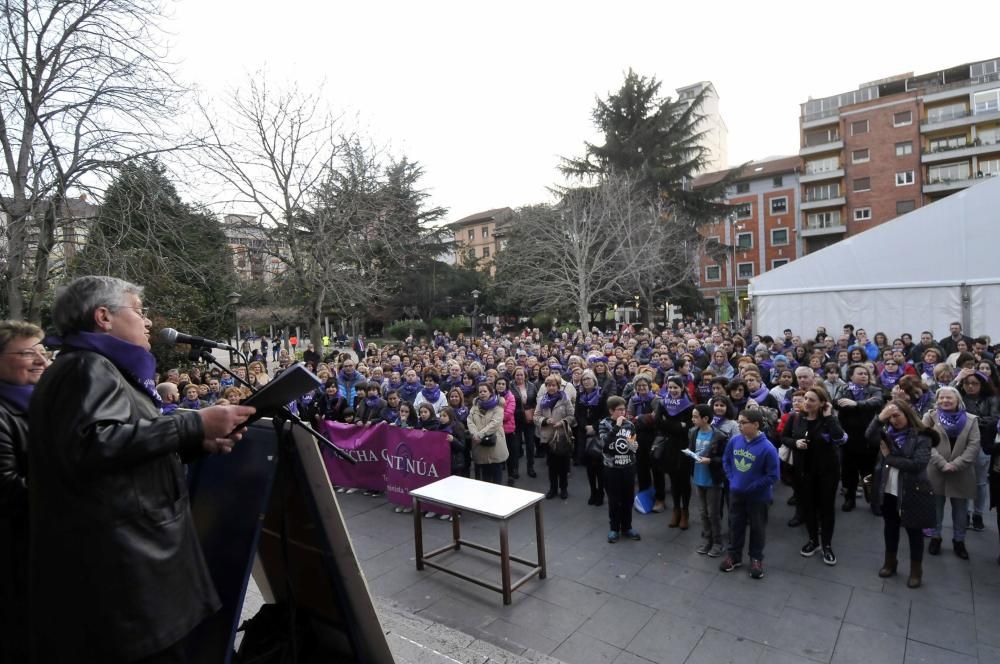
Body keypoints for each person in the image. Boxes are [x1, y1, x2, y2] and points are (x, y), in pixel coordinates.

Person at [28, 276, 254, 663]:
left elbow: (120, 458)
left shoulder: (95, 368)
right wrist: (192, 424)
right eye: (137, 311)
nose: (147, 322)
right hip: (127, 577)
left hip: (133, 567)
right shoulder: (88, 368)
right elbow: (93, 446)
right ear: (103, 317)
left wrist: (194, 444)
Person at [0, 321, 47, 662]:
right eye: (28, 352)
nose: (40, 360)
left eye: (43, 351)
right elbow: (8, 491)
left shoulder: (44, 408)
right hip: (15, 562)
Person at [867, 399, 937, 589]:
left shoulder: (922, 436)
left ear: (908, 414)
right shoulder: (886, 433)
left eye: (897, 416)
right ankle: (890, 562)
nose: (893, 421)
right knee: (890, 527)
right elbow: (869, 436)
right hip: (889, 487)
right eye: (889, 418)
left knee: (914, 531)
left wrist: (890, 457)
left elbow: (917, 465)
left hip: (912, 490)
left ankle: (916, 569)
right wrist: (878, 419)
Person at [781, 386, 847, 565]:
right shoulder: (796, 418)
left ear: (822, 404)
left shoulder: (829, 420)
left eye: (812, 400)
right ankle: (813, 540)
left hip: (827, 472)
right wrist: (795, 443)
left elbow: (839, 438)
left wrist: (829, 417)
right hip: (804, 471)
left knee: (826, 509)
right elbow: (784, 437)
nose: (807, 403)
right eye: (806, 399)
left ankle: (827, 545)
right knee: (808, 507)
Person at [719, 408, 779, 580]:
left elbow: (773, 475)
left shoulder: (768, 448)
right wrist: (732, 479)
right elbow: (727, 460)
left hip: (758, 497)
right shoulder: (735, 440)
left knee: (757, 528)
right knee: (735, 525)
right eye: (739, 422)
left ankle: (756, 559)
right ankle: (734, 556)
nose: (739, 425)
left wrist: (752, 487)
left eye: (743, 423)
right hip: (736, 493)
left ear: (756, 425)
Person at [924, 386, 981, 559]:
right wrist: (942, 463)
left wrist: (956, 464)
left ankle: (959, 541)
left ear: (958, 400)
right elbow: (925, 441)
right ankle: (935, 537)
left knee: (960, 509)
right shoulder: (930, 417)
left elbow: (974, 445)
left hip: (961, 471)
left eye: (949, 398)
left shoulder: (971, 419)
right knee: (935, 507)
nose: (945, 401)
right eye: (941, 398)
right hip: (936, 468)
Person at [835, 364, 884, 511]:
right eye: (860, 373)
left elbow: (877, 402)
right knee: (849, 472)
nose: (864, 376)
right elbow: (837, 403)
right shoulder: (843, 389)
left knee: (868, 473)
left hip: (868, 437)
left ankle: (873, 501)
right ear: (851, 376)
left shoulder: (875, 390)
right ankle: (849, 499)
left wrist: (856, 404)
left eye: (866, 374)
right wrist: (852, 405)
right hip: (849, 437)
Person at [599, 396, 640, 543]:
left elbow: (633, 443)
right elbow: (604, 444)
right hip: (612, 468)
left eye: (624, 409)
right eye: (620, 410)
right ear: (611, 411)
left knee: (628, 498)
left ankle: (627, 527)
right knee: (614, 499)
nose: (623, 412)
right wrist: (616, 427)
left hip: (628, 466)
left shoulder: (630, 425)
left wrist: (634, 446)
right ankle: (614, 528)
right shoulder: (604, 424)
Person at [689, 404, 727, 557]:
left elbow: (724, 459)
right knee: (703, 512)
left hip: (713, 480)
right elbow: (692, 449)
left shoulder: (720, 436)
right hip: (698, 478)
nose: (692, 420)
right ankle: (707, 539)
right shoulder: (693, 432)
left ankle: (717, 542)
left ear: (705, 419)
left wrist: (710, 461)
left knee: (713, 513)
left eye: (695, 417)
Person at [658, 376, 695, 529]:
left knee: (684, 480)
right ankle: (676, 509)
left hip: (684, 446)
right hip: (669, 446)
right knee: (673, 480)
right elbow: (659, 423)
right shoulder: (663, 403)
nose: (673, 390)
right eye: (670, 387)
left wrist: (669, 423)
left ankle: (685, 511)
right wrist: (677, 425)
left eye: (676, 387)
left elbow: (688, 427)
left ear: (682, 388)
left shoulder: (689, 406)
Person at [535, 375, 576, 499]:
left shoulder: (565, 398)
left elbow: (571, 415)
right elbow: (536, 416)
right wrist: (545, 420)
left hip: (562, 436)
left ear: (558, 386)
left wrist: (562, 422)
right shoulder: (541, 399)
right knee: (551, 465)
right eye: (549, 385)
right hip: (548, 436)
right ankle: (553, 488)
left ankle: (563, 488)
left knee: (563, 465)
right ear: (546, 387)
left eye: (554, 385)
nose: (551, 387)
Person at [468, 383, 509, 484]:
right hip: (479, 443)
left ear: (490, 392)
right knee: (485, 476)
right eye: (480, 391)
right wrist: (474, 434)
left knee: (496, 475)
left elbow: (495, 423)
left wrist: (480, 434)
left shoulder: (498, 405)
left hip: (495, 443)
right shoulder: (475, 405)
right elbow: (470, 420)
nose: (482, 393)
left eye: (485, 391)